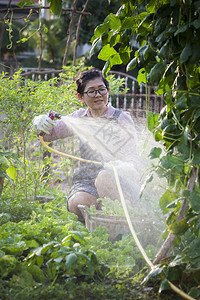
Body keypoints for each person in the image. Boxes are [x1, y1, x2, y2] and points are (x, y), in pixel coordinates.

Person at [33, 68, 140, 221]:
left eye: (101, 89)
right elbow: (50, 134)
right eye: (91, 91)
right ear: (81, 97)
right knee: (78, 203)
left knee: (104, 178)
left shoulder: (120, 118)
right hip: (88, 180)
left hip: (118, 179)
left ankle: (118, 228)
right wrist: (40, 124)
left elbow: (133, 155)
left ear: (107, 90)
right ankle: (96, 229)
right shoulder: (79, 118)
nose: (98, 95)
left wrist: (126, 166)